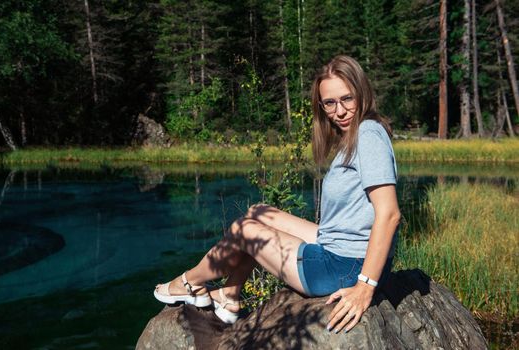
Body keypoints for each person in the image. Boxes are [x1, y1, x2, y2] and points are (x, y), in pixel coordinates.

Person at [154, 55, 400, 333]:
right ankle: (230, 296)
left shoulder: (368, 134)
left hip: (345, 266)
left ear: (362, 93)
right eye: (329, 103)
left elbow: (389, 214)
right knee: (259, 213)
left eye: (347, 99)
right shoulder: (353, 136)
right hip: (341, 247)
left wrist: (364, 287)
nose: (339, 111)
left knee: (246, 231)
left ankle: (189, 282)